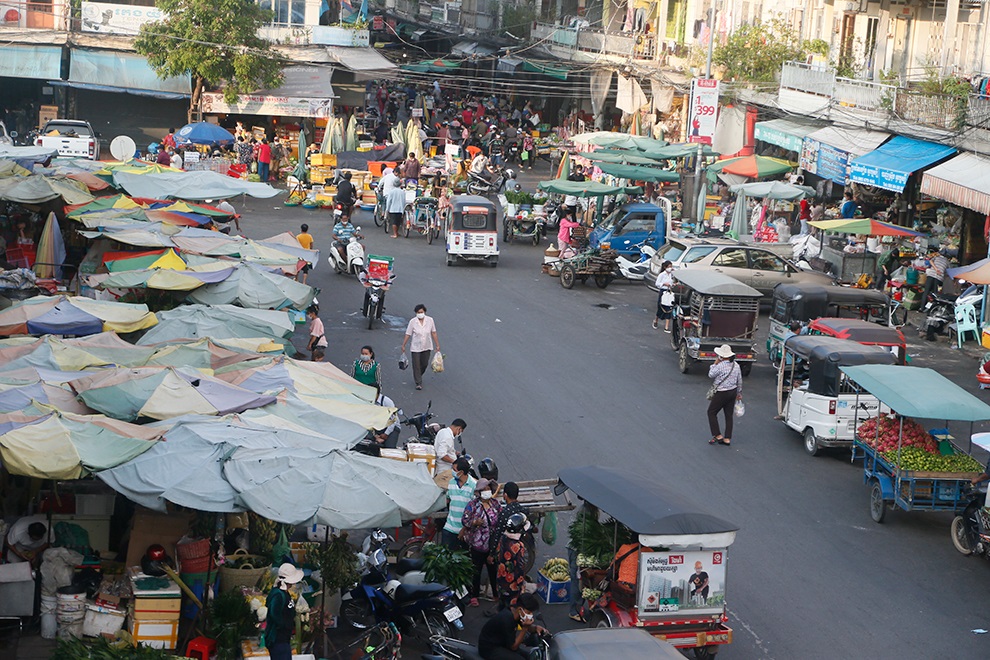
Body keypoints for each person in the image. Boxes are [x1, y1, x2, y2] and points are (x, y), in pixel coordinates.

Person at [461, 479, 502, 607]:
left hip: (492, 544)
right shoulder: (472, 505)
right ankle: (475, 596)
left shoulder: (495, 504)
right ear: (478, 492)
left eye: (488, 488)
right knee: (476, 571)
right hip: (477, 544)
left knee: (493, 570)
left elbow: (501, 520)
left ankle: (496, 594)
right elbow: (465, 520)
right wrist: (474, 522)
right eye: (483, 489)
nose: (486, 491)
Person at [477, 592, 547, 660]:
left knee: (529, 656)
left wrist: (535, 628)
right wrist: (525, 628)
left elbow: (524, 625)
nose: (531, 615)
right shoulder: (507, 619)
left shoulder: (515, 613)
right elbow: (514, 647)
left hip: (502, 643)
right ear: (520, 609)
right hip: (490, 648)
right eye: (529, 612)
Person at [263, 563, 304, 660]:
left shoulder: (284, 591)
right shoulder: (278, 594)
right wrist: (284, 625)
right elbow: (274, 613)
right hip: (278, 639)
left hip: (284, 638)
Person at [566, 501, 597, 622]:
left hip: (577, 548)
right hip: (577, 549)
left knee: (578, 579)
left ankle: (578, 607)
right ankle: (574, 611)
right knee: (576, 580)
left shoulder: (589, 509)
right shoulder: (586, 511)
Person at [493, 512, 530, 610]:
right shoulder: (518, 546)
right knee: (512, 608)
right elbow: (520, 567)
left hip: (501, 580)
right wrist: (521, 584)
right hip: (512, 583)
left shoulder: (503, 539)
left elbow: (497, 556)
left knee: (502, 606)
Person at [707, 344, 742, 446]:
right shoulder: (736, 365)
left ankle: (717, 435)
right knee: (728, 415)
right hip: (733, 391)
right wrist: (739, 393)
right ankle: (727, 438)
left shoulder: (720, 365)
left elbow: (710, 374)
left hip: (721, 392)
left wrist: (715, 363)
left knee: (711, 412)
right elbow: (739, 380)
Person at [400, 304, 440, 390]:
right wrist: (403, 345)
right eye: (418, 312)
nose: (420, 314)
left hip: (427, 345)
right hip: (416, 347)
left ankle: (418, 375)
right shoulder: (413, 322)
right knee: (416, 365)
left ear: (424, 312)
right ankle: (418, 382)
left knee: (424, 363)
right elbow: (408, 334)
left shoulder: (430, 320)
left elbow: (433, 332)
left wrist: (437, 345)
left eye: (421, 312)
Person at [443, 456, 476, 548]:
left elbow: (474, 511)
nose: (452, 472)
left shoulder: (473, 486)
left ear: (461, 472)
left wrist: (464, 529)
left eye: (454, 469)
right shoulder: (451, 483)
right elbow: (447, 499)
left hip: (464, 531)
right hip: (449, 527)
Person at [653, 260, 675, 332]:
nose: (670, 268)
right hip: (663, 292)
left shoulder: (672, 274)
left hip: (669, 292)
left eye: (671, 267)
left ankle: (666, 327)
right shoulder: (662, 275)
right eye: (669, 267)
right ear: (665, 267)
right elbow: (657, 283)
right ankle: (656, 320)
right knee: (661, 307)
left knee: (669, 308)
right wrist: (664, 284)